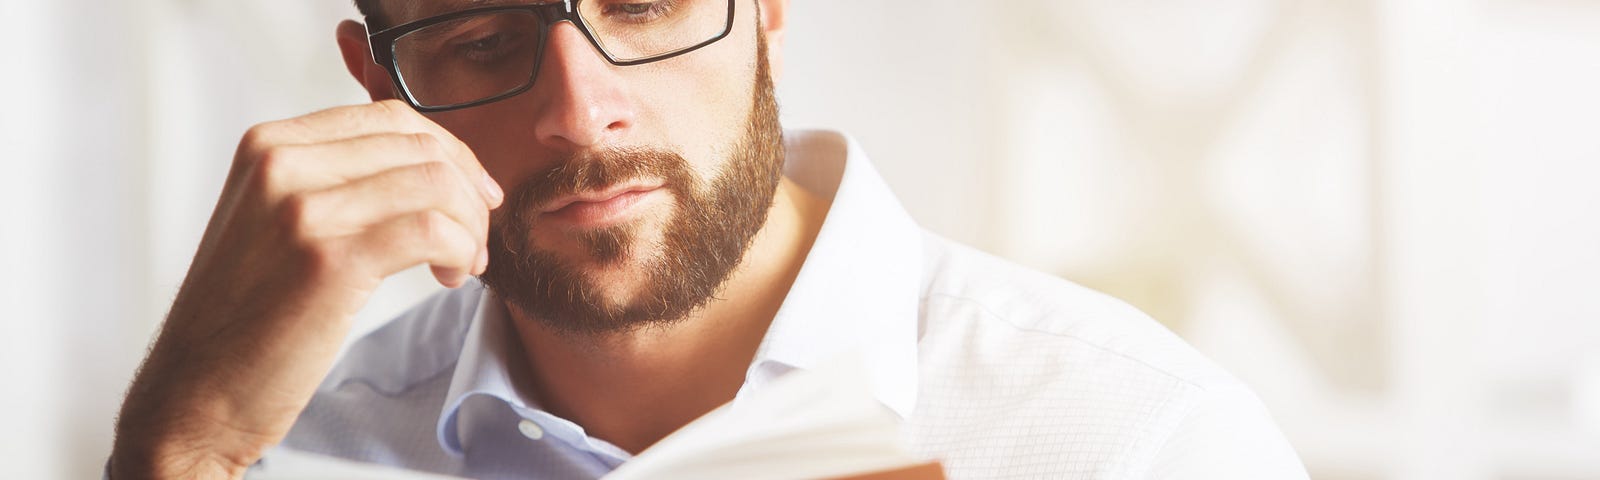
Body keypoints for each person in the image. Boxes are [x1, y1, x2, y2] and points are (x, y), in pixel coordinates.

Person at [109, 0, 1309, 478]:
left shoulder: (1141, 444)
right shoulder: (278, 461)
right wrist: (186, 438)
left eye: (643, 4)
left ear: (770, 15)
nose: (579, 112)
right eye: (479, 37)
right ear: (382, 84)